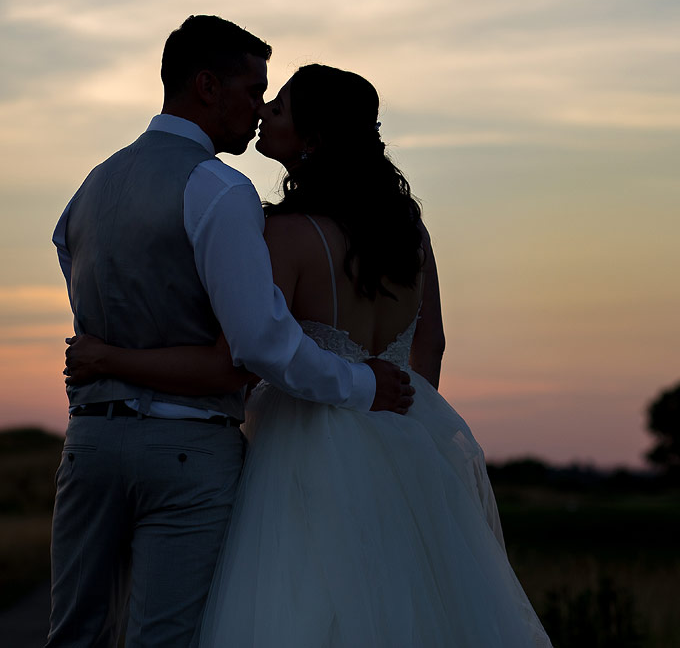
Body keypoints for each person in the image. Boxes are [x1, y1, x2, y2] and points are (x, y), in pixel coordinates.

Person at [65, 64, 552, 646]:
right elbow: (432, 343)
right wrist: (412, 429)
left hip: (301, 449)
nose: (265, 111)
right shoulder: (407, 228)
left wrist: (111, 360)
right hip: (404, 437)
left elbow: (246, 357)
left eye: (281, 106)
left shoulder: (286, 234)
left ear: (314, 139)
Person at [49, 18, 415, 648]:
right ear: (207, 86)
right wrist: (359, 383)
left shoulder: (91, 187)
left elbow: (88, 299)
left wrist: (109, 357)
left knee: (74, 635)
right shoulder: (219, 189)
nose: (257, 109)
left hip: (89, 446)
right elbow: (258, 343)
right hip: (188, 451)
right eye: (252, 91)